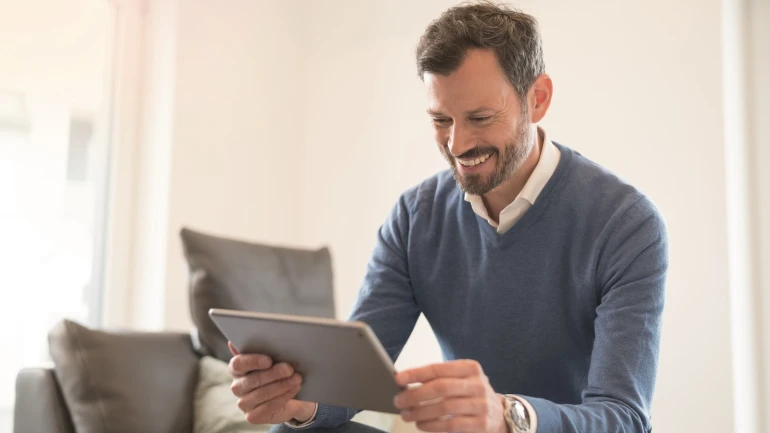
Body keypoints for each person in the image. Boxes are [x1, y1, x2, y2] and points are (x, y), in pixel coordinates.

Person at [227, 2, 668, 433]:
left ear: (537, 99)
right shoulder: (415, 217)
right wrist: (301, 404)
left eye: (479, 118)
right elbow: (354, 379)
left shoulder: (626, 224)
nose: (457, 145)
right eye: (441, 119)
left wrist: (508, 417)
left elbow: (625, 418)